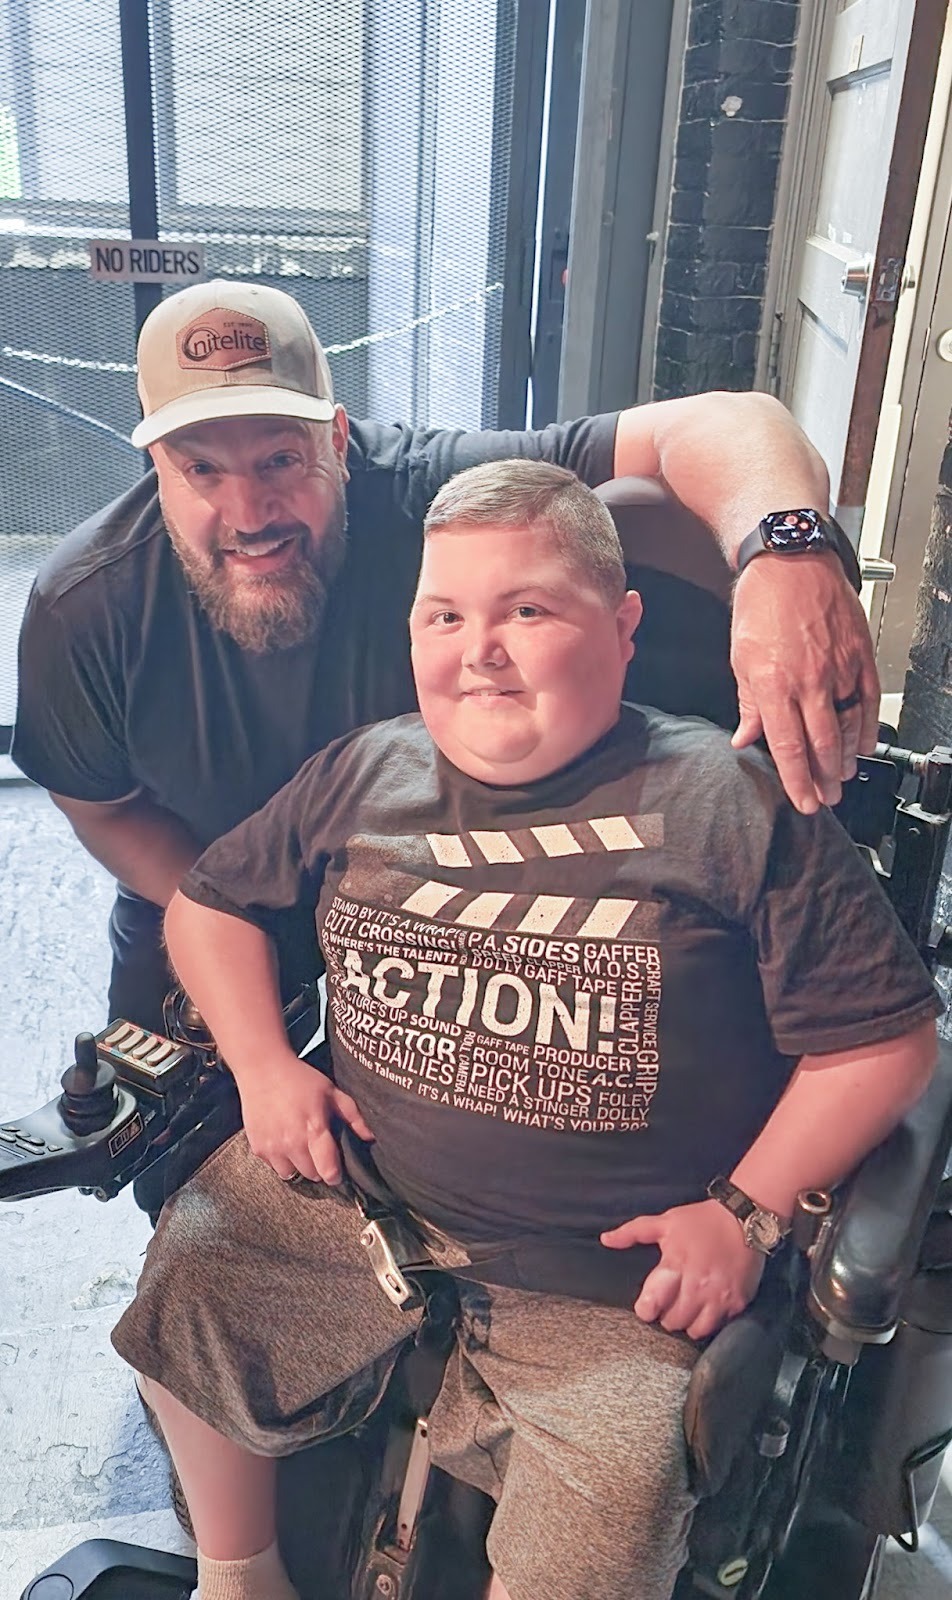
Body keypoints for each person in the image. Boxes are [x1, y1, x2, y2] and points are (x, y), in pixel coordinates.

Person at [112, 461, 939, 1600]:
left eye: (526, 611)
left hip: (607, 1273)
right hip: (360, 1200)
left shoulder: (726, 806)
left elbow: (883, 1043)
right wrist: (262, 1065)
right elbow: (207, 907)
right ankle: (239, 1573)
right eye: (443, 614)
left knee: (613, 1514)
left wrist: (745, 1211)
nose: (475, 649)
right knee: (190, 1276)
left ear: (624, 626)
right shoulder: (366, 770)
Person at [13, 278, 877, 1055]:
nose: (249, 512)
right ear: (154, 466)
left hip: (432, 901)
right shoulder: (86, 604)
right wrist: (242, 928)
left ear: (339, 441)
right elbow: (104, 806)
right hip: (209, 882)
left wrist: (787, 557)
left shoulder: (430, 491)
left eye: (281, 459)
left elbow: (725, 421)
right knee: (171, 1149)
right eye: (201, 470)